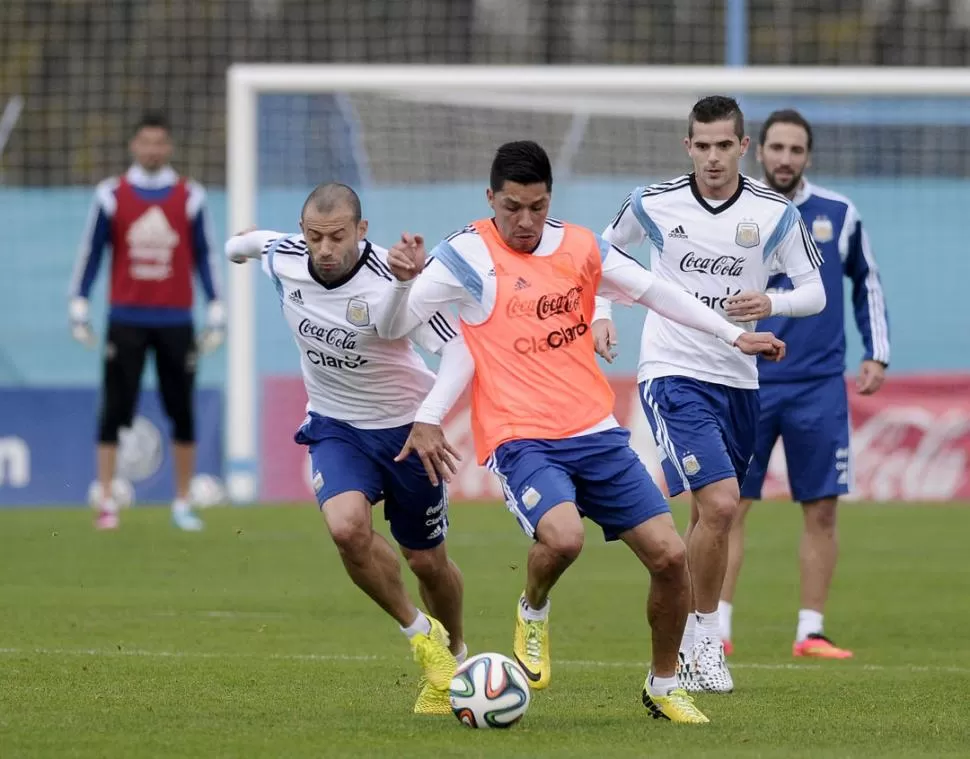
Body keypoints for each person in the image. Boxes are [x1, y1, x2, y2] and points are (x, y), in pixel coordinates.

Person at [375, 140, 787, 724]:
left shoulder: (581, 246)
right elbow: (397, 324)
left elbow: (653, 291)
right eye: (512, 207)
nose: (524, 221)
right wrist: (401, 282)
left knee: (671, 559)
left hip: (595, 432)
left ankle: (664, 685)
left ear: (550, 200)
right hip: (521, 436)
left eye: (537, 207)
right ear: (490, 198)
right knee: (564, 538)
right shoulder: (463, 255)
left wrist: (731, 333)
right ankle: (533, 608)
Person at [593, 96, 827, 693]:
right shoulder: (653, 202)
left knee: (708, 515)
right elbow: (599, 258)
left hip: (739, 378)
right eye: (704, 145)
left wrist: (772, 302)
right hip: (673, 371)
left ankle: (695, 638)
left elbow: (815, 291)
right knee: (722, 504)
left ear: (743, 148)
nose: (714, 157)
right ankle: (704, 638)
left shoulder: (773, 213)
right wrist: (600, 314)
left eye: (726, 145)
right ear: (688, 146)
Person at [225, 183, 467, 716]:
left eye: (337, 237)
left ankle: (455, 652)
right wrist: (236, 246)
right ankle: (420, 633)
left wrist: (429, 421)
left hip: (407, 432)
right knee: (346, 529)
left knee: (427, 562)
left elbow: (458, 353)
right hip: (336, 426)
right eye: (314, 236)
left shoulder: (398, 277)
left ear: (361, 231)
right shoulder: (287, 257)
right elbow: (248, 245)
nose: (325, 249)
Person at [719, 109, 891, 660]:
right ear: (758, 150)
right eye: (776, 148)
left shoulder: (838, 214)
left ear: (807, 157)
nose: (785, 159)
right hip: (745, 378)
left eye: (796, 150)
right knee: (728, 506)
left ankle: (810, 632)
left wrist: (877, 354)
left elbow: (868, 285)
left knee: (821, 508)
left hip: (817, 384)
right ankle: (715, 629)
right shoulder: (733, 211)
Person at [68, 111, 225, 532]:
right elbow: (92, 252)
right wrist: (79, 300)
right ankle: (106, 500)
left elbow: (206, 255)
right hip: (127, 318)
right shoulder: (111, 195)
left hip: (176, 320)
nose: (153, 149)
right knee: (114, 409)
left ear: (168, 147)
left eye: (160, 142)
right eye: (146, 142)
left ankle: (182, 502)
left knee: (182, 410)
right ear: (134, 146)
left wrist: (216, 304)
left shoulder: (190, 196)